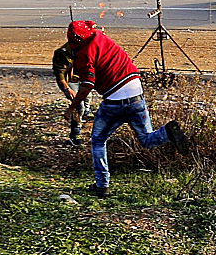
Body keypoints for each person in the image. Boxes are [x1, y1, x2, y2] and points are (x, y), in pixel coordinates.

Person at [63, 20, 190, 198]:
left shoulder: (84, 54)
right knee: (146, 140)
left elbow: (87, 85)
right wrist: (74, 64)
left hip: (114, 101)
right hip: (136, 95)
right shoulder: (99, 35)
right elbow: (94, 57)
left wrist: (72, 107)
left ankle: (102, 186)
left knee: (98, 141)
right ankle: (167, 133)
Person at [53, 40, 92, 146]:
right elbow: (60, 75)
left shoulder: (89, 48)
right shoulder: (62, 53)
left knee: (86, 101)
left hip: (84, 79)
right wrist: (67, 89)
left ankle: (86, 114)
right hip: (70, 82)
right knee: (79, 106)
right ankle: (75, 135)